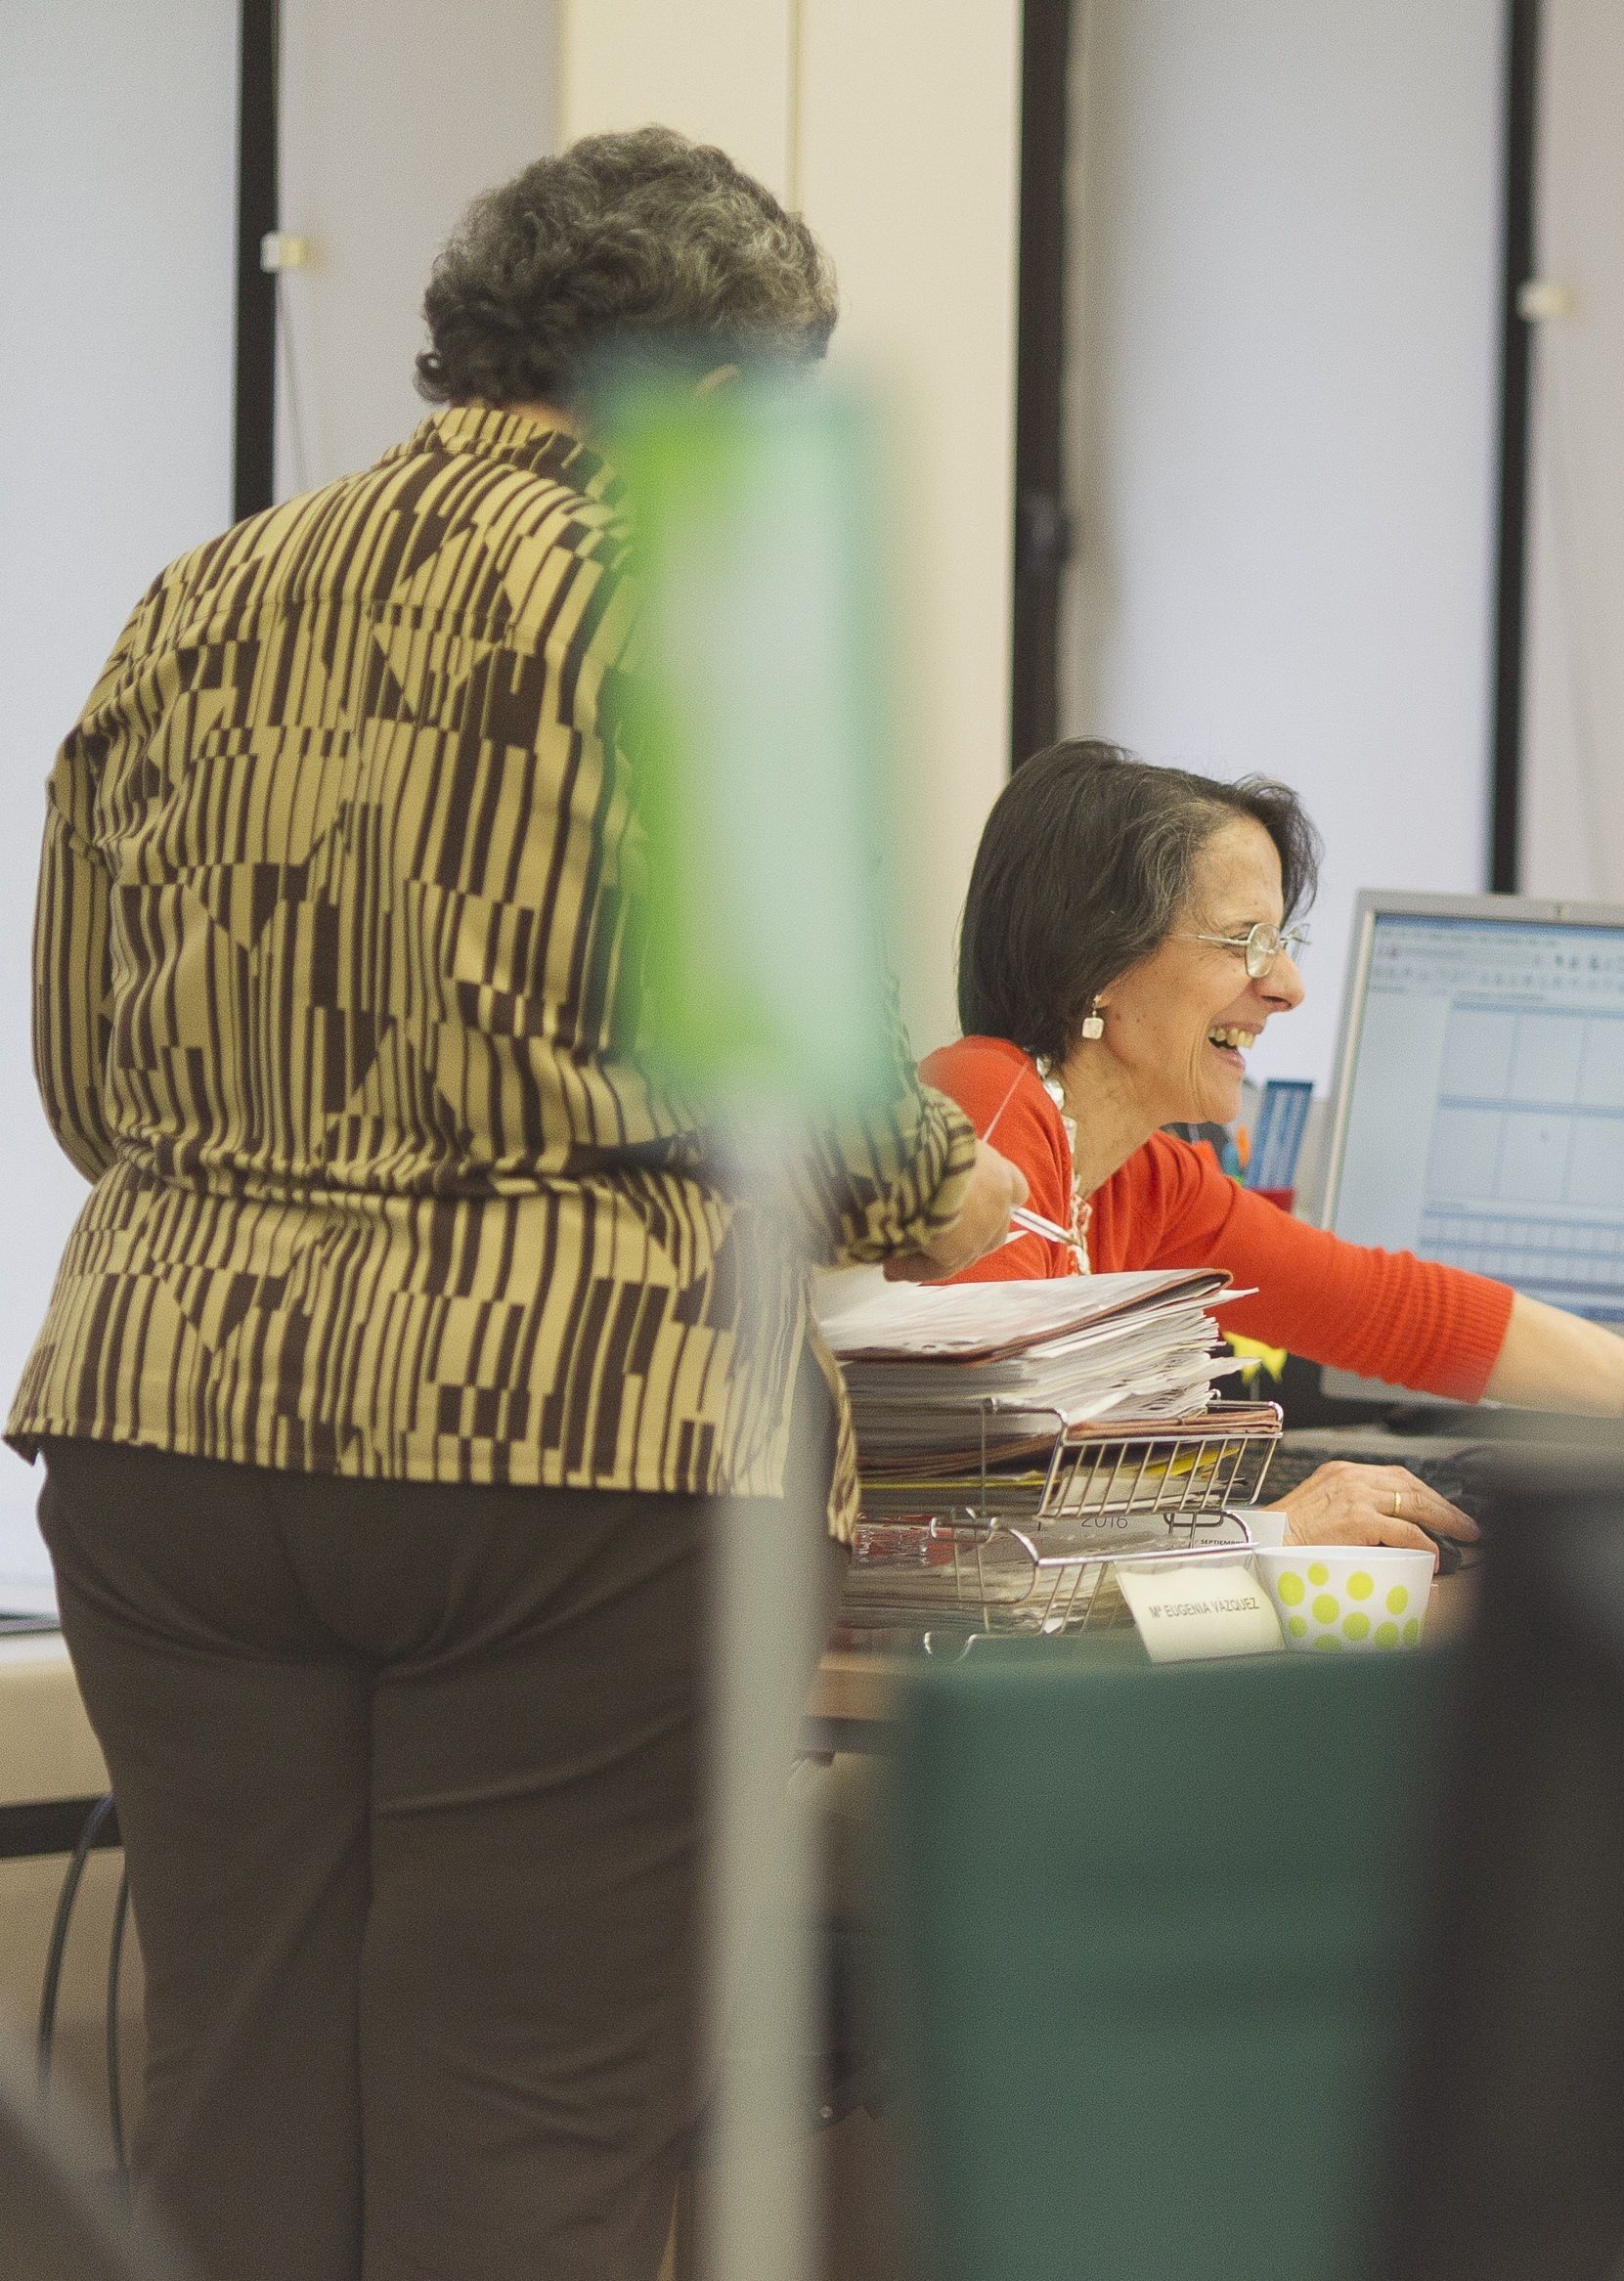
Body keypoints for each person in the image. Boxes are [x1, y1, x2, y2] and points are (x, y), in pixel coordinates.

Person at [9, 131, 1025, 2281]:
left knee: (240, 2103)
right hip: (577, 1441)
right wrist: (960, 1182)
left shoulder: (204, 589)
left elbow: (89, 1067)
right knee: (524, 2129)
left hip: (175, 1419)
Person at [921, 741, 1624, 1551]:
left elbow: (1397, 1311)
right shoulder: (988, 1109)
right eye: (1244, 943)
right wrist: (1272, 1532)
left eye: (1282, 940)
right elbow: (984, 1508)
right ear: (1100, 963)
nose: (1288, 985)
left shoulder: (1144, 1177)